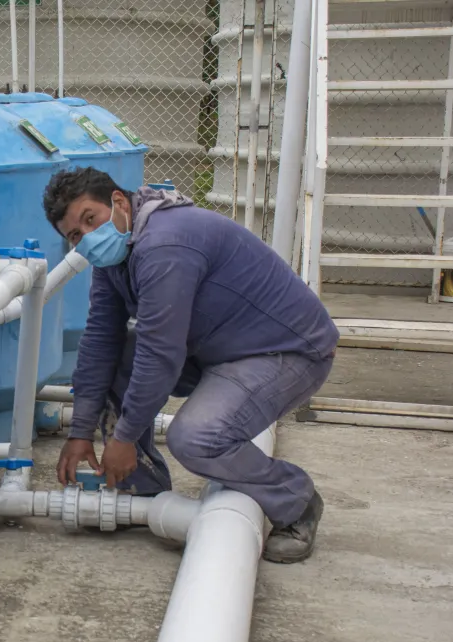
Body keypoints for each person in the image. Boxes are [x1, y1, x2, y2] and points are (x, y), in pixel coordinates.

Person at [44, 167, 340, 563]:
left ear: (118, 202)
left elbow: (160, 352)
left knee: (197, 438)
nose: (87, 237)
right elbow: (100, 340)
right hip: (218, 350)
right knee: (116, 354)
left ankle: (295, 499)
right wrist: (80, 431)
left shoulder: (166, 243)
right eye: (75, 235)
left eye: (90, 219)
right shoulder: (117, 255)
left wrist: (124, 437)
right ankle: (142, 492)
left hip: (284, 352)